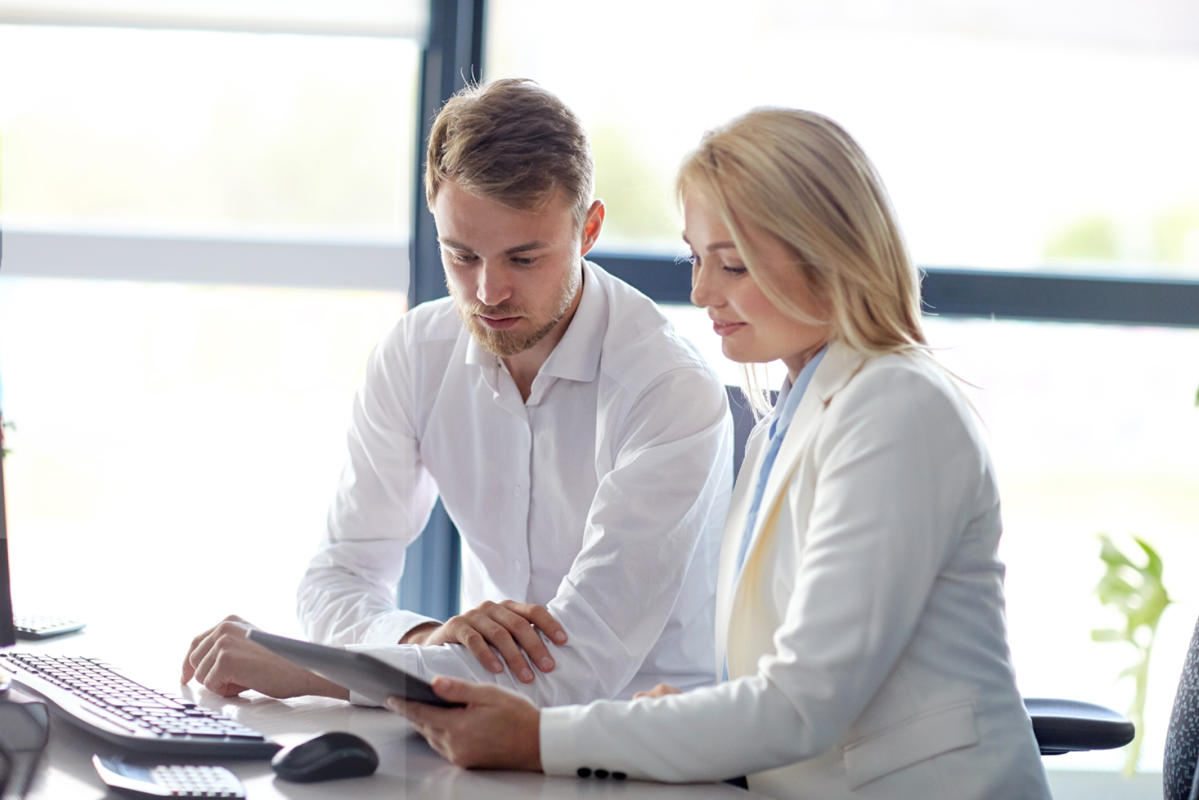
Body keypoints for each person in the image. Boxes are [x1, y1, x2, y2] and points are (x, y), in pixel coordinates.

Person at [387, 108, 1052, 799]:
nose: (702, 292)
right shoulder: (781, 423)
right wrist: (677, 721)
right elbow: (773, 685)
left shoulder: (896, 412)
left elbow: (802, 702)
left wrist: (538, 739)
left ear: (826, 250)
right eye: (697, 259)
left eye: (731, 264)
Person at [180, 79, 733, 707]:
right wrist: (425, 636)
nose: (488, 292)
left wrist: (308, 669)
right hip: (472, 728)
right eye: (461, 254)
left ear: (588, 230)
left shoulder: (667, 389)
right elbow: (338, 576)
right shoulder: (419, 353)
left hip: (649, 747)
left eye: (524, 260)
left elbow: (575, 670)